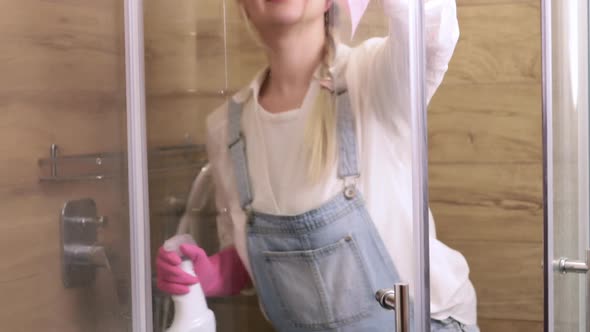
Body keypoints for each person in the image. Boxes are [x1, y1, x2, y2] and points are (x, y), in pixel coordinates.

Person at [157, 0, 478, 331]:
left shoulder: (373, 76)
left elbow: (432, 33)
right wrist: (217, 273)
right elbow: (247, 254)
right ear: (244, 6)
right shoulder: (226, 129)